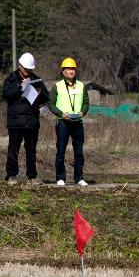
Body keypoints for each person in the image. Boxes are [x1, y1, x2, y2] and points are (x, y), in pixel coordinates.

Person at [1, 52, 48, 183]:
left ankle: (32, 176)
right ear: (20, 66)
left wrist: (38, 93)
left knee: (31, 150)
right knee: (13, 149)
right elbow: (6, 94)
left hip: (32, 121)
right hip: (15, 122)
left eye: (30, 69)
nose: (27, 71)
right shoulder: (11, 79)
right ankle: (11, 175)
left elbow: (46, 96)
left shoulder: (36, 79)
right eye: (25, 68)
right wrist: (20, 87)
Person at [49, 57, 90, 186]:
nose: (71, 71)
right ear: (63, 71)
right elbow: (50, 104)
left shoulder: (81, 85)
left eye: (73, 68)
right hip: (63, 122)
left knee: (79, 152)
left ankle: (79, 178)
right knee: (61, 150)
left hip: (77, 122)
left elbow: (86, 103)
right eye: (68, 69)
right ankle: (60, 177)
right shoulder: (57, 86)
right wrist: (61, 114)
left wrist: (82, 112)